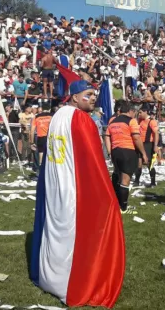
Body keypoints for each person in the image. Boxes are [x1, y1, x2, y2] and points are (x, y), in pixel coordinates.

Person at [30, 80, 125, 308]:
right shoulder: (81, 119)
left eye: (94, 94)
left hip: (55, 185)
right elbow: (93, 162)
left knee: (55, 232)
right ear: (74, 97)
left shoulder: (57, 116)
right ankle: (71, 284)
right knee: (76, 234)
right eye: (88, 94)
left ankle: (50, 278)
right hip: (73, 188)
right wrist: (106, 194)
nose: (93, 98)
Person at [104, 101, 147, 215]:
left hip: (115, 152)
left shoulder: (112, 122)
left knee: (118, 176)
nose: (135, 115)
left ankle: (116, 203)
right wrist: (143, 153)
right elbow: (136, 138)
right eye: (135, 112)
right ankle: (123, 208)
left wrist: (110, 151)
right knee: (125, 180)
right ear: (130, 111)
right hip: (128, 151)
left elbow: (107, 137)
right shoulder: (131, 121)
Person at [134, 104, 159, 187]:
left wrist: (155, 145)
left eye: (140, 112)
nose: (139, 114)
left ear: (145, 112)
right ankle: (136, 181)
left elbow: (156, 133)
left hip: (148, 144)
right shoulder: (139, 120)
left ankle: (153, 182)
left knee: (149, 163)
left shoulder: (152, 121)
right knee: (138, 162)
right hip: (140, 144)